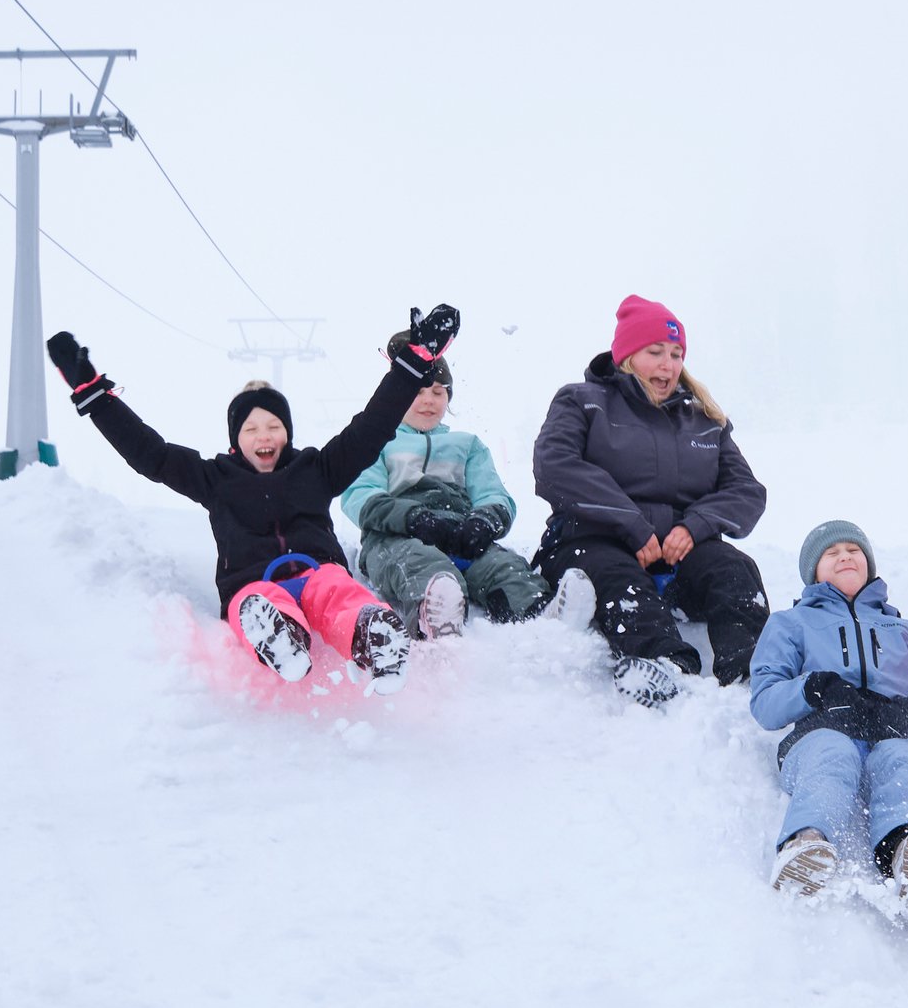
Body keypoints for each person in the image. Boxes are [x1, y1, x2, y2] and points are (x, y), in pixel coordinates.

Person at [46, 307, 459, 681]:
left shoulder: (317, 469)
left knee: (336, 589)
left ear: (288, 433)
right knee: (258, 602)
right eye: (251, 429)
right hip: (252, 584)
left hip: (318, 571)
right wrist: (96, 397)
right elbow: (149, 454)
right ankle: (280, 638)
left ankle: (373, 637)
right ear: (235, 441)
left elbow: (372, 426)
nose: (264, 436)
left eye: (274, 426)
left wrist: (411, 366)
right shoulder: (214, 479)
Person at [531, 294, 771, 702]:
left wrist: (695, 527)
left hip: (680, 551)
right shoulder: (582, 401)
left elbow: (746, 491)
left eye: (677, 354)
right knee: (620, 580)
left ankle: (751, 672)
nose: (669, 364)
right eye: (656, 352)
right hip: (592, 539)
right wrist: (632, 525)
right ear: (626, 355)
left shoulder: (704, 419)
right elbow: (555, 466)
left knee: (735, 571)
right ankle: (666, 666)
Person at [744, 519, 908, 900]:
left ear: (869, 563)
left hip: (895, 730)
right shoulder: (792, 624)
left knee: (903, 760)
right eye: (832, 552)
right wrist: (813, 688)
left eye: (854, 550)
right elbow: (765, 703)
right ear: (813, 571)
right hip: (823, 731)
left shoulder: (906, 630)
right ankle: (804, 843)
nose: (845, 556)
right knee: (832, 758)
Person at [337, 329, 544, 635]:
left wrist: (484, 522)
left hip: (458, 531)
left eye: (438, 391)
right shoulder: (378, 441)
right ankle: (433, 617)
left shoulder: (466, 444)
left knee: (502, 566)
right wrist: (412, 518)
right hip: (394, 537)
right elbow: (359, 495)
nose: (428, 401)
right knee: (422, 565)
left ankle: (539, 616)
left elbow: (492, 493)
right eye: (417, 391)